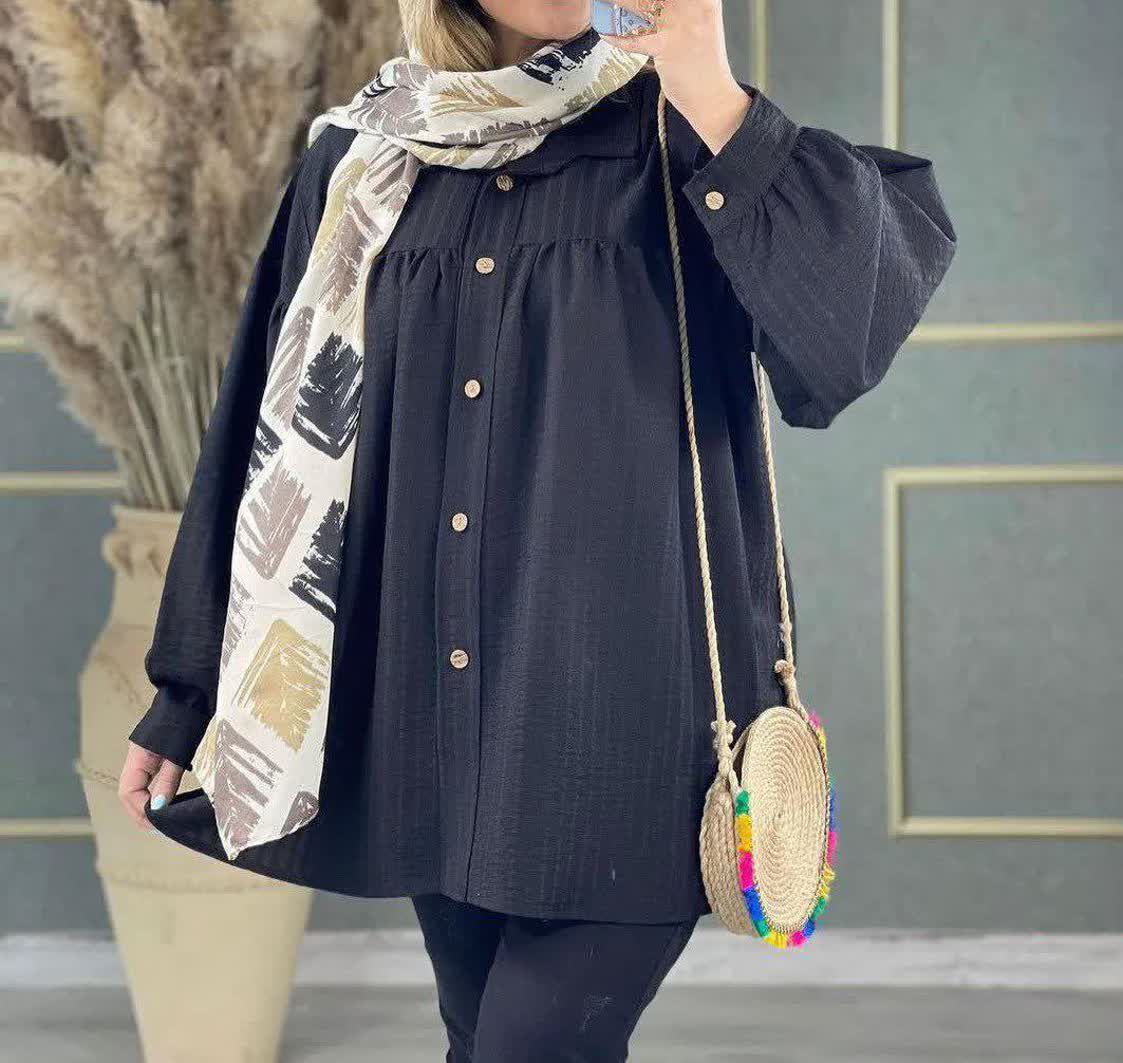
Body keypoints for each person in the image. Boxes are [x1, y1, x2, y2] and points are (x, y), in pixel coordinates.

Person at [117, 0, 956, 1058]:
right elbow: (264, 433)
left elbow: (848, 334)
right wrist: (186, 689)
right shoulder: (365, 154)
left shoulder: (686, 137)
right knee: (479, 1038)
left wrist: (708, 90)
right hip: (429, 718)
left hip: (634, 728)